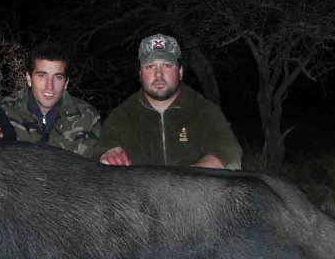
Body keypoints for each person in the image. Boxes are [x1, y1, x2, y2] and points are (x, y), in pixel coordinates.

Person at [93, 33, 242, 169]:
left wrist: (181, 181)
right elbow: (97, 156)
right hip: (140, 196)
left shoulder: (203, 110)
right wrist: (107, 156)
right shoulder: (121, 116)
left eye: (167, 65)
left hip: (195, 193)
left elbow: (229, 153)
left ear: (181, 72)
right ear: (140, 74)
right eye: (150, 66)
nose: (158, 74)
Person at [0, 44, 101, 156]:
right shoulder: (3, 109)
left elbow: (101, 160)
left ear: (66, 83)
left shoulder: (87, 116)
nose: (49, 86)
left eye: (58, 77)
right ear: (29, 78)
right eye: (42, 75)